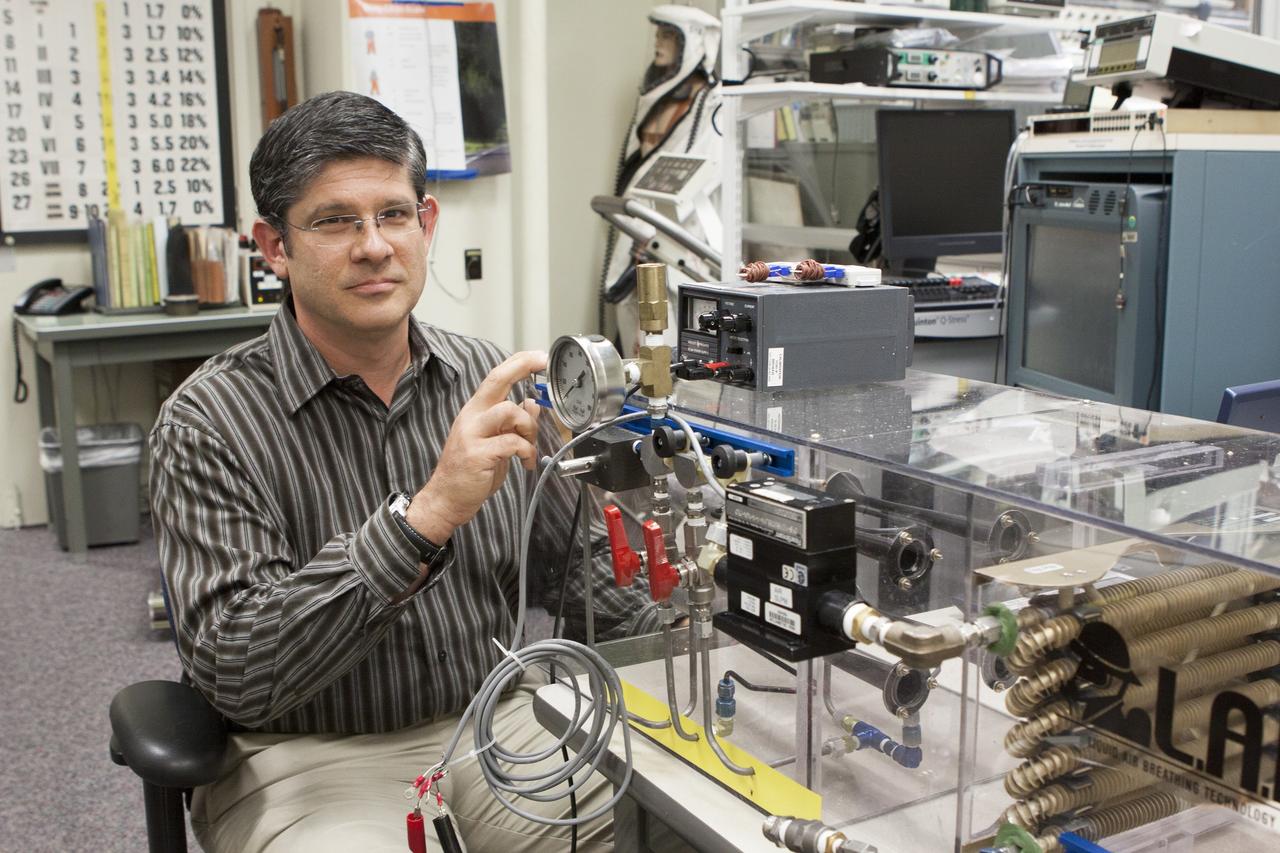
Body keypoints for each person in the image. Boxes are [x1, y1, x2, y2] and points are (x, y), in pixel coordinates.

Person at [149, 90, 660, 852]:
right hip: (307, 756)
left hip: (501, 720)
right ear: (273, 246)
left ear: (426, 225)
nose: (374, 245)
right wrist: (423, 520)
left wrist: (717, 624)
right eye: (334, 221)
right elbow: (237, 669)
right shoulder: (206, 422)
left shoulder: (487, 377)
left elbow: (586, 577)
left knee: (683, 819)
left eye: (394, 214)